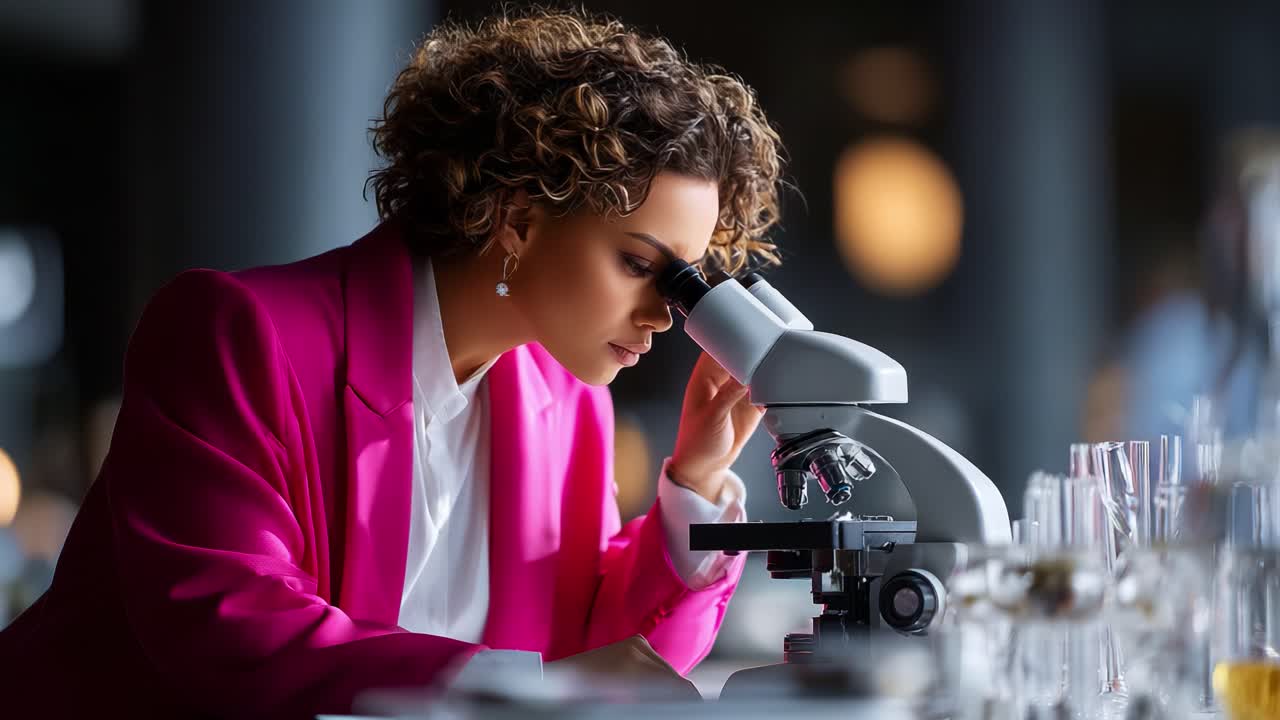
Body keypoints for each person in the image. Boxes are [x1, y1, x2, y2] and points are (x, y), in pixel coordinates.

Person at [0, 7, 787, 719]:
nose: (665, 312)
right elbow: (228, 629)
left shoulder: (562, 395)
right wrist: (531, 686)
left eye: (688, 279)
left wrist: (697, 481)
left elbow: (607, 656)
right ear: (518, 217)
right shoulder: (240, 334)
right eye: (640, 262)